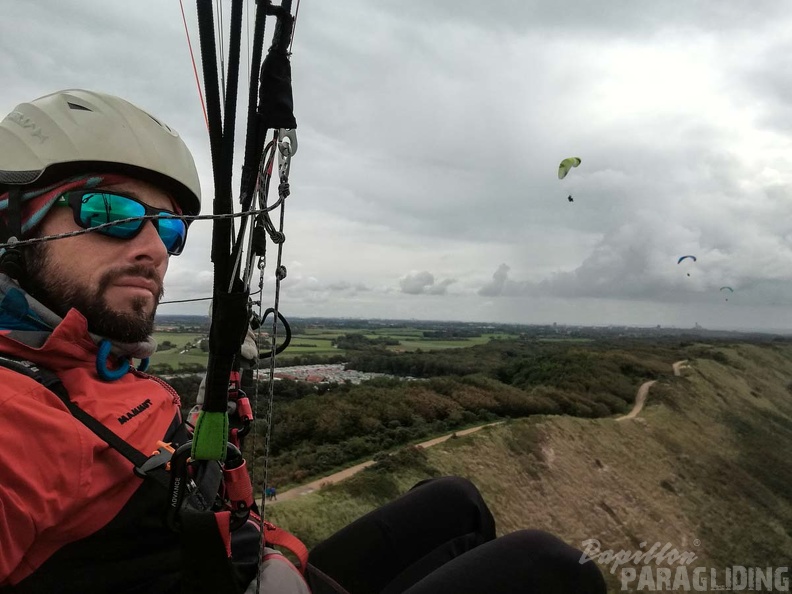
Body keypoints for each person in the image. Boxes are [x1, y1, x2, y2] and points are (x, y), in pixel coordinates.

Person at [0, 89, 607, 594]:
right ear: (11, 222)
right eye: (112, 212)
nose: (154, 247)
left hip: (243, 566)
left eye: (170, 227)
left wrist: (239, 497)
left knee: (456, 501)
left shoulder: (101, 373)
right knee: (551, 568)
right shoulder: (15, 415)